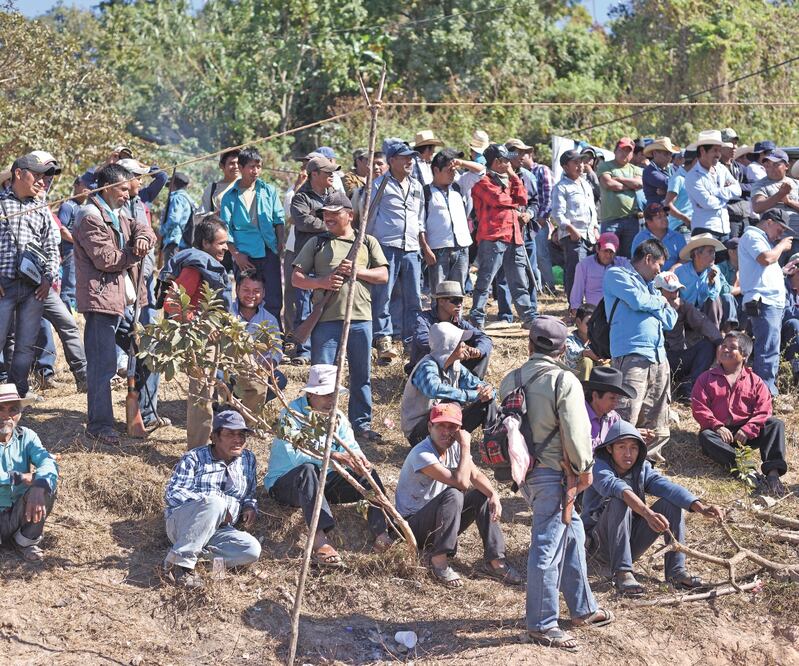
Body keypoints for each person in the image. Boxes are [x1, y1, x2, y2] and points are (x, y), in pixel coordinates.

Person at [500, 315, 612, 650]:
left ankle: (582, 608)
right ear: (563, 349)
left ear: (530, 344)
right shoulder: (564, 380)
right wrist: (584, 468)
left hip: (526, 473)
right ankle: (542, 623)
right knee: (548, 547)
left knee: (573, 532)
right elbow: (578, 434)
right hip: (555, 473)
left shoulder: (511, 379)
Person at [265, 365, 394, 568]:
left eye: (333, 394)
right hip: (287, 484)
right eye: (325, 395)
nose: (331, 400)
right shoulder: (291, 416)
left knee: (367, 474)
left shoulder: (338, 417)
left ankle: (381, 531)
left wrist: (359, 459)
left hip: (322, 483)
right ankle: (319, 541)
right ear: (310, 394)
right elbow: (295, 457)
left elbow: (351, 445)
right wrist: (333, 456)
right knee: (308, 470)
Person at [583, 420, 724, 596]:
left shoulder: (641, 468)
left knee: (671, 504)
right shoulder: (598, 465)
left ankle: (676, 572)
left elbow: (665, 486)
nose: (628, 454)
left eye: (634, 448)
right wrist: (647, 513)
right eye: (621, 447)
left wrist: (700, 507)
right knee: (619, 500)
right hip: (598, 547)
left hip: (628, 543)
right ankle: (623, 573)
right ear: (610, 449)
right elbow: (618, 488)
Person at [292, 192, 388, 444]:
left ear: (350, 216)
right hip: (326, 319)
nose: (328, 218)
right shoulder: (317, 243)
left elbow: (383, 275)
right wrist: (321, 282)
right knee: (321, 376)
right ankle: (318, 426)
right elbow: (296, 278)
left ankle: (361, 425)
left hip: (360, 318)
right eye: (326, 214)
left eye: (335, 213)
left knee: (361, 375)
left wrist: (359, 271)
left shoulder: (367, 242)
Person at [394, 402, 521, 588]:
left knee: (481, 495)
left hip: (439, 522)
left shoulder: (454, 447)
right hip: (412, 526)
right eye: (441, 426)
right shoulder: (421, 453)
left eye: (452, 427)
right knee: (454, 493)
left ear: (459, 429)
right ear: (430, 427)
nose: (446, 432)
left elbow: (475, 475)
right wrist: (466, 445)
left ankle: (496, 561)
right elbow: (461, 482)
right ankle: (438, 560)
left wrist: (493, 494)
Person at [73, 163, 156, 445]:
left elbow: (143, 228)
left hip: (121, 301)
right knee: (102, 366)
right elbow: (106, 260)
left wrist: (143, 238)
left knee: (145, 352)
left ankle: (145, 412)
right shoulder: (89, 216)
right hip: (101, 302)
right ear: (108, 188)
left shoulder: (118, 212)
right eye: (123, 188)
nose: (128, 193)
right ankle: (99, 425)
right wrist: (136, 251)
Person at [163, 407, 261, 588]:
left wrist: (249, 506)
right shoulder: (195, 457)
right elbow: (173, 494)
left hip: (220, 530)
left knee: (251, 550)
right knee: (215, 502)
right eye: (230, 434)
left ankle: (191, 555)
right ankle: (180, 568)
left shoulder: (248, 459)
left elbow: (250, 493)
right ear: (214, 437)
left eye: (242, 435)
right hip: (184, 523)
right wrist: (216, 508)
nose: (238, 440)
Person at [160, 215, 232, 448]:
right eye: (221, 243)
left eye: (226, 243)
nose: (225, 248)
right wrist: (199, 323)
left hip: (217, 334)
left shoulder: (209, 265)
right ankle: (198, 450)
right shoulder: (195, 268)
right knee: (202, 393)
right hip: (201, 338)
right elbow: (173, 304)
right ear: (205, 244)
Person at [603, 239, 677, 462]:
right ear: (648, 259)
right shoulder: (617, 275)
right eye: (659, 265)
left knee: (657, 417)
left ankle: (647, 468)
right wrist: (660, 302)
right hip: (632, 354)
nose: (659, 271)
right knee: (627, 413)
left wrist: (655, 301)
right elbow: (636, 300)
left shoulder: (652, 288)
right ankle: (617, 469)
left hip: (658, 356)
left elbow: (671, 320)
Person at [691, 331, 788, 496]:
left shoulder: (755, 381)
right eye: (723, 346)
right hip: (719, 435)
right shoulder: (706, 378)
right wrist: (717, 426)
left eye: (732, 347)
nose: (725, 350)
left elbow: (764, 409)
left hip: (745, 435)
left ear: (744, 355)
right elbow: (699, 407)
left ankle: (773, 474)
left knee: (775, 424)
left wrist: (748, 429)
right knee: (705, 436)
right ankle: (746, 470)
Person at [0, 152, 61, 398]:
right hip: (3, 286)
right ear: (18, 173)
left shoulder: (41, 207)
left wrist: (49, 278)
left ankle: (18, 393)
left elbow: (51, 248)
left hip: (33, 287)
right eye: (36, 175)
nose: (41, 181)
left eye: (44, 177)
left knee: (25, 346)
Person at [367, 139, 425, 359]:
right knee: (383, 295)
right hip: (386, 247)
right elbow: (369, 216)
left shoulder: (417, 186)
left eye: (411, 157)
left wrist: (422, 244)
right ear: (392, 161)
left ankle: (412, 340)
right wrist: (370, 247)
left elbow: (419, 217)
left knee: (414, 297)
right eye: (405, 157)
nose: (410, 161)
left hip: (411, 247)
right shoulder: (379, 185)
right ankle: (382, 338)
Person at [468, 143, 536, 329]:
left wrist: (513, 176)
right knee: (485, 280)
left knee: (519, 281)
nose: (510, 162)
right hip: (493, 237)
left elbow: (522, 198)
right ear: (497, 162)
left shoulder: (508, 180)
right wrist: (514, 195)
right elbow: (500, 200)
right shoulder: (483, 183)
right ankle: (477, 318)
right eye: (506, 159)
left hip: (514, 236)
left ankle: (528, 317)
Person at [401, 322, 495, 446]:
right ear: (448, 345)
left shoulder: (455, 365)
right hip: (420, 432)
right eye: (460, 342)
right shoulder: (427, 366)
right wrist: (472, 395)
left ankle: (493, 442)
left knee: (487, 401)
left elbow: (477, 383)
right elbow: (434, 389)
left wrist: (488, 390)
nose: (464, 345)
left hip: (443, 423)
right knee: (451, 404)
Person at [219, 146, 285, 320]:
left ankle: (273, 339)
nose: (255, 171)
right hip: (244, 256)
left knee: (273, 299)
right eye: (251, 167)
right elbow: (226, 229)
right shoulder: (229, 196)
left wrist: (280, 243)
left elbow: (279, 219)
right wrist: (236, 255)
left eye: (258, 166)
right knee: (247, 297)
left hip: (269, 251)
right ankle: (243, 338)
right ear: (240, 168)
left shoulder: (268, 190)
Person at [0, 384, 58, 562]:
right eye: (0, 409)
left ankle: (24, 541)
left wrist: (37, 487)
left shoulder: (27, 436)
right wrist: (20, 478)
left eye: (13, 410)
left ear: (20, 414)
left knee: (45, 485)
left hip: (17, 510)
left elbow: (48, 462)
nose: (6, 416)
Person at [738, 209, 793, 395]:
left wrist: (783, 271)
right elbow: (765, 258)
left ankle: (765, 391)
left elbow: (764, 267)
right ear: (769, 222)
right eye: (781, 228)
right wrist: (782, 246)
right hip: (764, 301)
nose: (782, 233)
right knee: (767, 348)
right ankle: (765, 393)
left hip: (771, 301)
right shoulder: (752, 235)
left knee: (770, 347)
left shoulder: (764, 241)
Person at [289, 155, 338, 365]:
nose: (332, 175)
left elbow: (342, 213)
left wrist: (320, 219)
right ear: (314, 174)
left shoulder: (333, 194)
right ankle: (304, 350)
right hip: (307, 256)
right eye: (327, 172)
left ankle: (326, 348)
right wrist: (329, 222)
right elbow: (303, 221)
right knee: (304, 302)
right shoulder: (300, 197)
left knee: (327, 302)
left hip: (329, 254)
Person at [418, 149, 484, 294]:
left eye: (454, 170)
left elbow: (481, 171)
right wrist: (426, 249)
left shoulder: (458, 186)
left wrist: (461, 162)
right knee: (439, 290)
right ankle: (439, 317)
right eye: (449, 170)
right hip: (438, 249)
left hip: (461, 247)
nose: (453, 173)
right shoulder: (426, 192)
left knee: (458, 290)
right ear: (436, 170)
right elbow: (420, 224)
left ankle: (457, 317)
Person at [655, 271, 722, 400]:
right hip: (656, 358)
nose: (674, 294)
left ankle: (688, 386)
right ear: (658, 291)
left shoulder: (683, 306)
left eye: (676, 290)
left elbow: (703, 323)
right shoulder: (647, 307)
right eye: (670, 290)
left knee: (708, 345)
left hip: (676, 356)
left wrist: (719, 342)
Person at [409, 281, 492, 378]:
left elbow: (484, 338)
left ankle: (474, 384)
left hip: (449, 365)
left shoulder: (459, 322)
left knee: (483, 353)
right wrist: (457, 348)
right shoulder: (423, 319)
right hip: (425, 368)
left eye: (461, 300)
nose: (459, 305)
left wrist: (478, 351)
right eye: (455, 300)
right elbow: (425, 342)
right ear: (441, 301)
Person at [231, 274, 285, 414]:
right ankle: (226, 406)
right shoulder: (227, 313)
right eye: (246, 290)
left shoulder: (269, 319)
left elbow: (276, 348)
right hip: (230, 370)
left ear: (263, 293)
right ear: (237, 289)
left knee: (280, 380)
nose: (251, 295)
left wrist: (271, 361)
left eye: (256, 291)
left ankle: (250, 411)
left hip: (257, 371)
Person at [551, 149, 598, 302]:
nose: (580, 166)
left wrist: (595, 228)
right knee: (576, 273)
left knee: (590, 272)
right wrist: (571, 229)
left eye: (581, 162)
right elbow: (557, 214)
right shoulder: (561, 187)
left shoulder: (585, 184)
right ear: (565, 167)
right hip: (574, 236)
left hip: (590, 235)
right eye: (575, 163)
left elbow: (593, 209)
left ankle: (589, 307)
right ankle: (575, 308)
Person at [684, 130, 742, 239]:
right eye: (715, 150)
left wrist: (715, 193)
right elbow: (708, 203)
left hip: (724, 229)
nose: (718, 155)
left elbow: (738, 190)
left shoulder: (721, 168)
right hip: (704, 229)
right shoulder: (693, 177)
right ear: (702, 151)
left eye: (719, 150)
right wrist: (726, 197)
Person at [674, 233, 735, 330]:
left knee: (714, 299)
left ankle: (715, 332)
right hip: (685, 313)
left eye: (714, 252)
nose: (714, 256)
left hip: (706, 312)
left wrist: (711, 282)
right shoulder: (680, 272)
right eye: (710, 252)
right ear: (697, 254)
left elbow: (714, 295)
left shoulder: (715, 270)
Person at [597, 137, 644, 257]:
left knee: (629, 257)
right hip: (611, 220)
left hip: (631, 220)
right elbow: (608, 184)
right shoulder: (605, 166)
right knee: (607, 256)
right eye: (622, 150)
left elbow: (639, 184)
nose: (625, 153)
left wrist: (619, 179)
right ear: (615, 151)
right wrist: (630, 186)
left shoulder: (636, 169)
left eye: (629, 151)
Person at [569, 231, 630, 314]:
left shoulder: (623, 264)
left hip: (618, 312)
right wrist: (576, 312)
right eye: (605, 251)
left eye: (611, 252)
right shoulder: (584, 265)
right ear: (597, 248)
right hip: (594, 313)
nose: (608, 255)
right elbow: (577, 292)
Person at [751, 148, 799, 244]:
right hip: (774, 239)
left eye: (776, 164)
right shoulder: (760, 184)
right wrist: (779, 194)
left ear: (786, 166)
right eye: (767, 165)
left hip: (797, 237)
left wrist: (789, 202)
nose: (771, 168)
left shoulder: (796, 183)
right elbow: (757, 207)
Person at [583, 366, 636, 450]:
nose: (616, 403)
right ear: (595, 396)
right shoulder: (579, 416)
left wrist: (634, 436)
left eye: (617, 398)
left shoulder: (614, 418)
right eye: (612, 398)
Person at [630, 202, 686, 271]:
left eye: (665, 216)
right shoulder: (640, 239)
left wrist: (672, 270)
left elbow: (684, 259)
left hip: (675, 278)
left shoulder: (678, 237)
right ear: (648, 221)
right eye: (659, 217)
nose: (664, 219)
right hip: (648, 279)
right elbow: (636, 263)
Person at [159, 172, 195, 264]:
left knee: (171, 272)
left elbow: (174, 219)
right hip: (183, 242)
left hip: (174, 241)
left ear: (173, 185)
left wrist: (162, 231)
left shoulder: (177, 198)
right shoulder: (188, 199)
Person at [663, 148, 697, 237]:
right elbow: (667, 206)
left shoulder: (692, 177)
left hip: (691, 225)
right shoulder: (678, 179)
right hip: (681, 228)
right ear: (696, 161)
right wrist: (686, 219)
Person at [563, 303, 601, 381]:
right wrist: (584, 353)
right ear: (578, 322)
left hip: (594, 380)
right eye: (589, 323)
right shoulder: (569, 339)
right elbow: (571, 356)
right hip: (574, 380)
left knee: (606, 365)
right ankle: (584, 391)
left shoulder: (598, 340)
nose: (592, 326)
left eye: (595, 323)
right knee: (586, 362)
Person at [200, 149, 241, 214]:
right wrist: (215, 215)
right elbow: (199, 216)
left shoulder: (249, 185)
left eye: (238, 163)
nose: (236, 167)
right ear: (221, 166)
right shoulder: (212, 189)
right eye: (231, 163)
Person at [641, 137, 678, 206]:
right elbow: (668, 183)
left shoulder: (673, 168)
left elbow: (685, 182)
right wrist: (671, 191)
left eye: (670, 154)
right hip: (658, 214)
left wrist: (666, 192)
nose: (669, 157)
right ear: (655, 153)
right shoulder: (649, 172)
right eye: (666, 154)